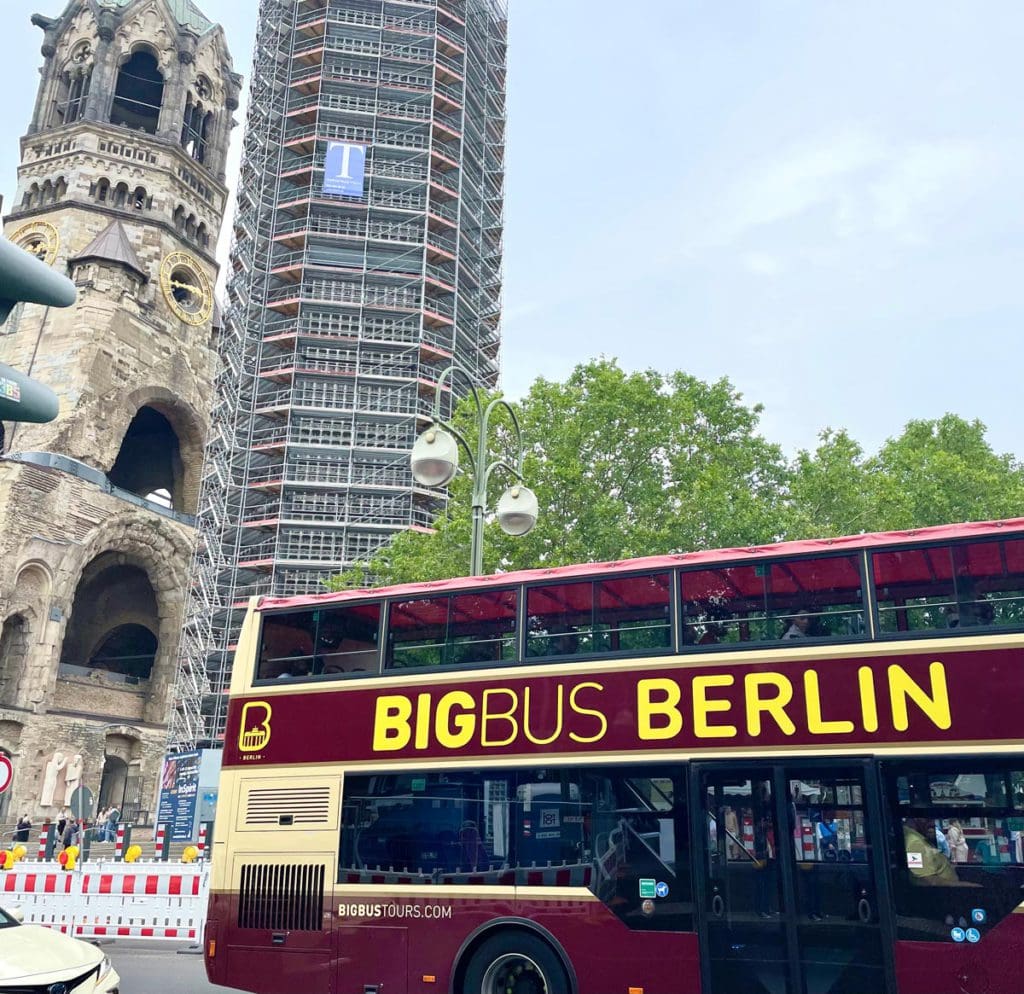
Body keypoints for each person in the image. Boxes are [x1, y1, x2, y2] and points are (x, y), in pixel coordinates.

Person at [903, 817, 975, 886]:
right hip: (945, 893)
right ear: (919, 818)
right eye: (930, 819)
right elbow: (928, 881)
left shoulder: (917, 837)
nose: (933, 824)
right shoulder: (914, 843)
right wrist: (970, 886)